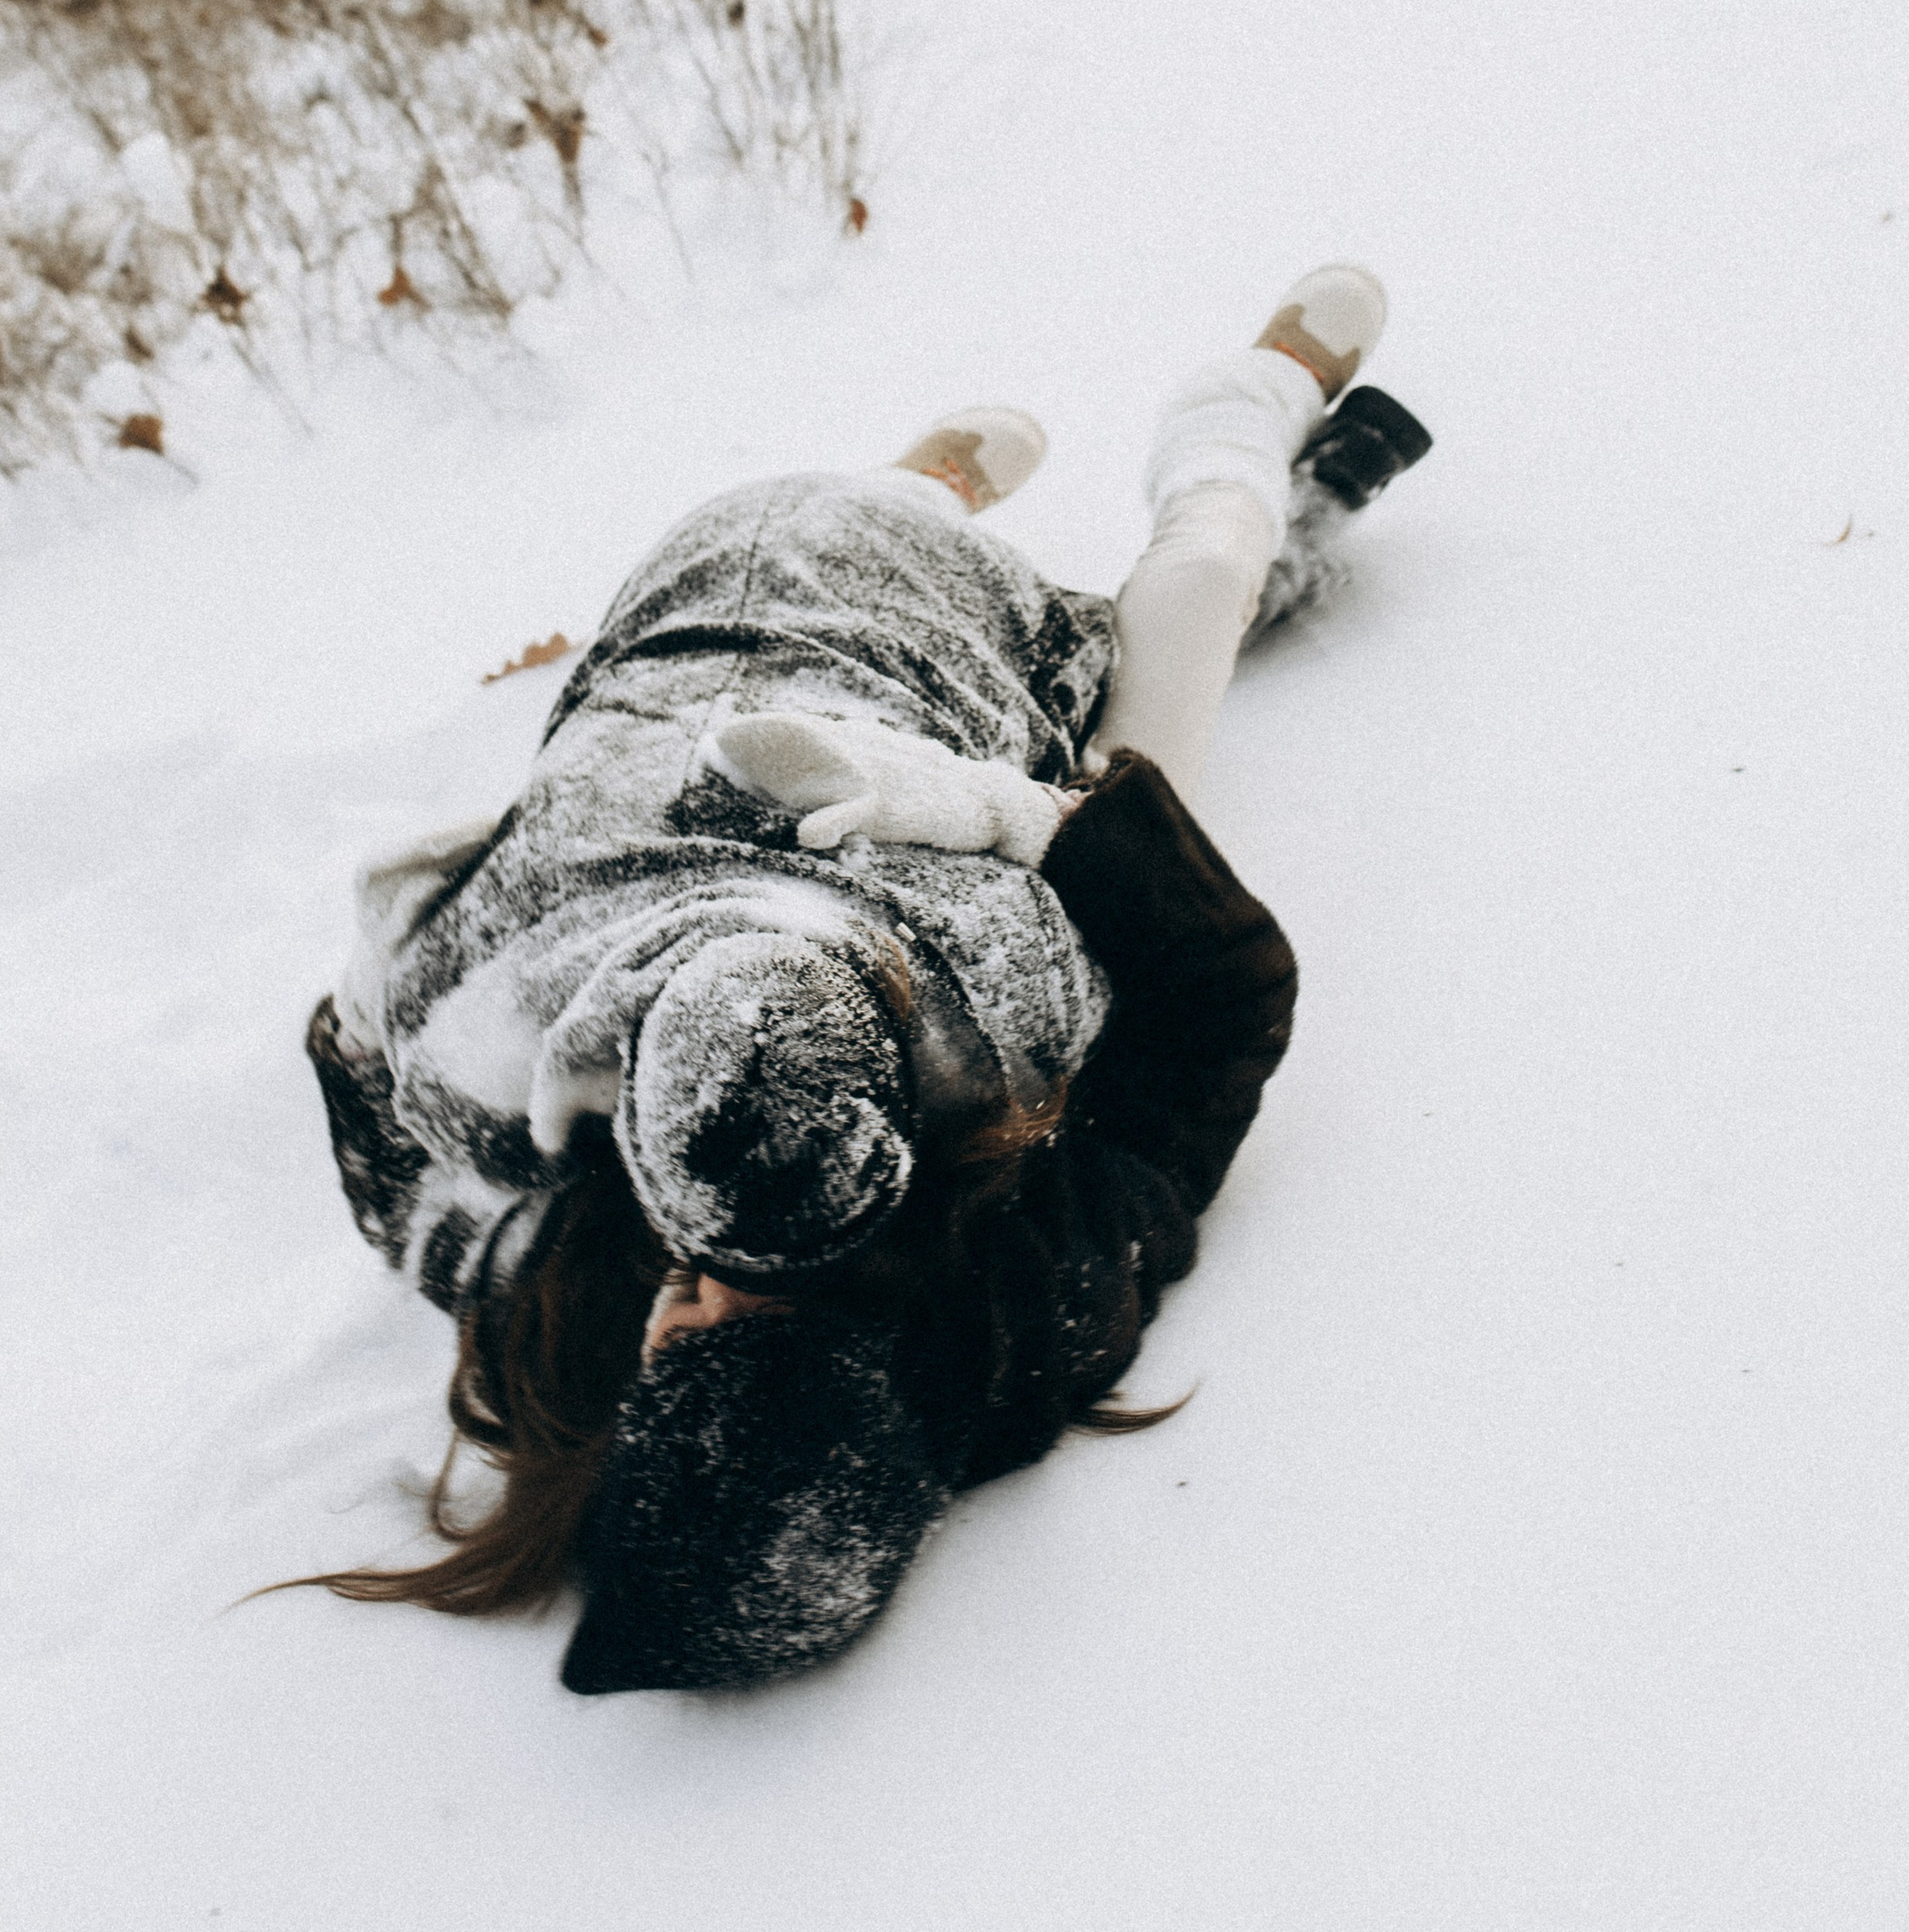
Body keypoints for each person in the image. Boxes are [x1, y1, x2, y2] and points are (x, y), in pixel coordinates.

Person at [299, 265, 1431, 1690]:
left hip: (686, 732)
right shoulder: (1024, 1306)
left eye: (676, 1337)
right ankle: (1257, 401)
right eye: (737, 1313)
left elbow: (382, 1145)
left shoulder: (557, 1319)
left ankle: (936, 484)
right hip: (963, 794)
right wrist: (1043, 829)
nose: (690, 1289)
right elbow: (1218, 1017)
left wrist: (399, 1000)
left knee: (827, 540)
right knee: (1198, 589)